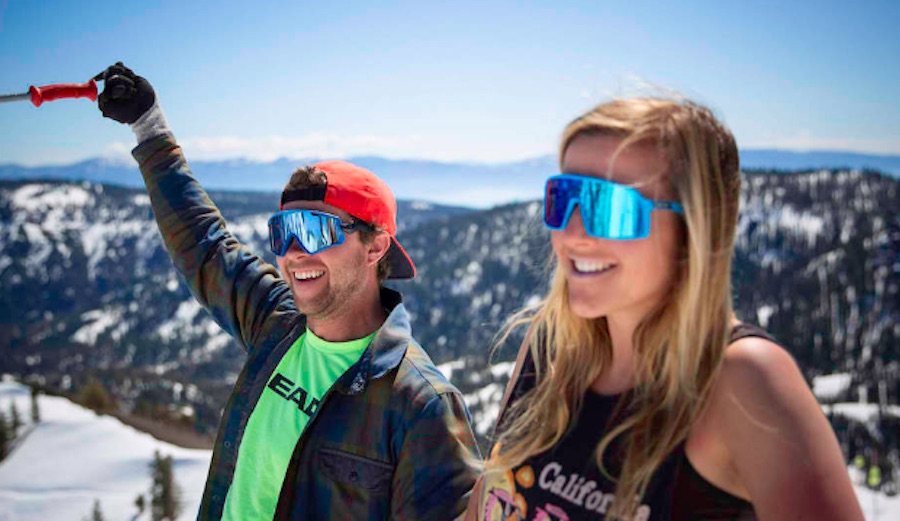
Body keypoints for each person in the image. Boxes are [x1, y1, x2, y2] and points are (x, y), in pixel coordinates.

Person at [94, 62, 480, 520]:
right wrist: (148, 124)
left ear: (375, 247)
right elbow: (205, 245)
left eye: (315, 231)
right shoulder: (276, 324)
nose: (294, 253)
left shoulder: (420, 404)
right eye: (282, 232)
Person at [466, 97, 864, 520]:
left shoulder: (742, 379)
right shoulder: (550, 344)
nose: (574, 233)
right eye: (563, 198)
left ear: (694, 228)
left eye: (612, 208)